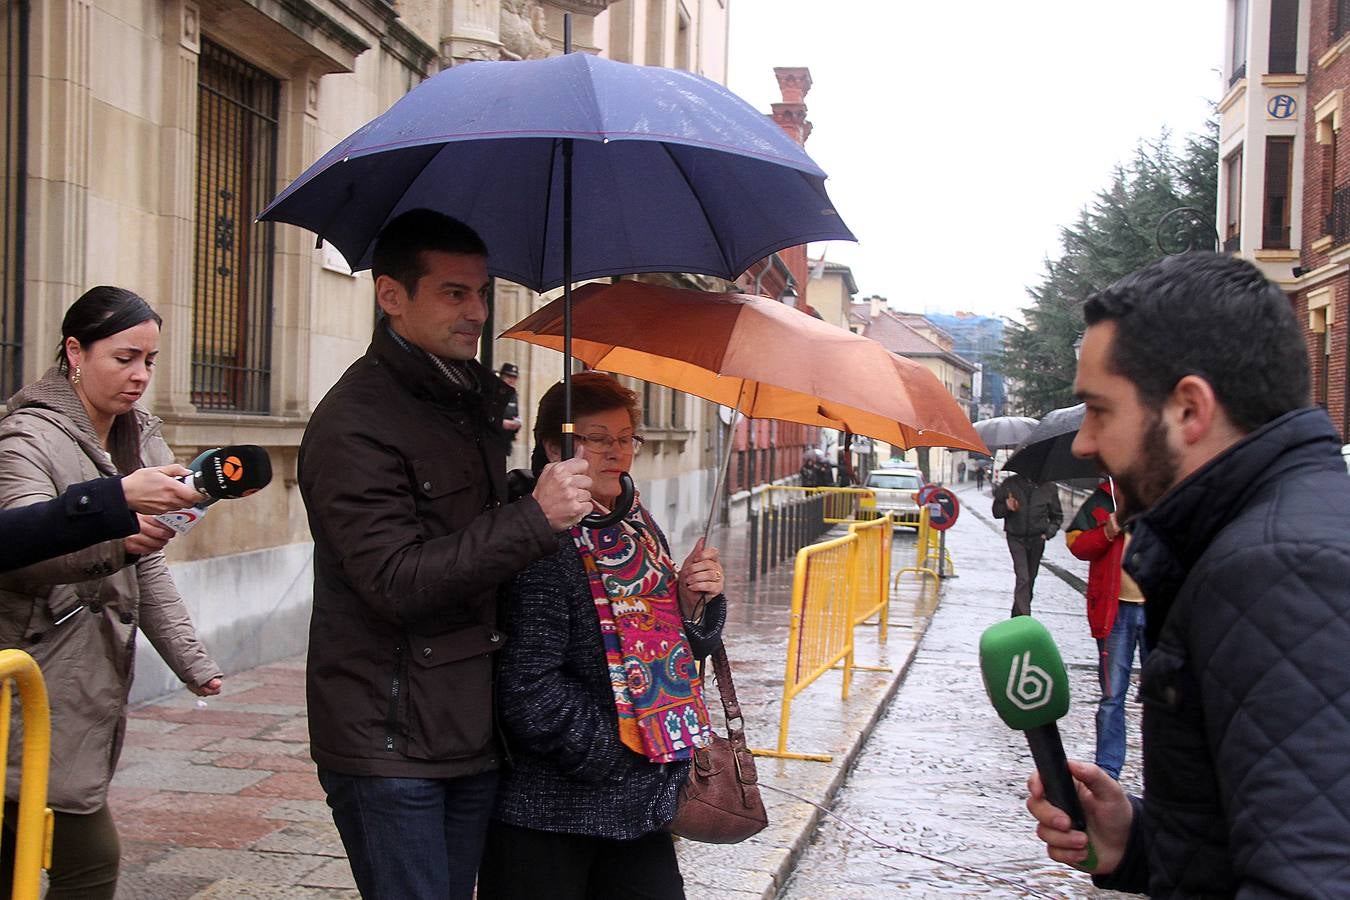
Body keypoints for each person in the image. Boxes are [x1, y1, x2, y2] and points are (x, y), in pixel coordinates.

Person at [1025, 252, 1350, 895]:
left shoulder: (1279, 569)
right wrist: (1138, 842)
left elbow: (1309, 878)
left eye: (1100, 410)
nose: (1084, 443)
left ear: (1189, 410)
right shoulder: (1272, 534)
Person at [297, 209, 593, 900]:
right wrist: (532, 518)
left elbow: (470, 538)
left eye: (481, 293)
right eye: (454, 293)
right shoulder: (354, 423)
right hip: (390, 737)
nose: (478, 313)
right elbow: (393, 579)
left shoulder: (468, 404)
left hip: (468, 727)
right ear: (391, 295)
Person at [0, 286, 223, 899]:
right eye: (124, 358)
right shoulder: (26, 437)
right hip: (30, 676)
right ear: (75, 352)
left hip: (84, 681)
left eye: (149, 361)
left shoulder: (139, 438)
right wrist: (118, 524)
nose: (140, 375)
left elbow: (147, 562)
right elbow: (21, 544)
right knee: (88, 861)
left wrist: (191, 661)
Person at [478, 372, 727, 900]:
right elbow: (527, 689)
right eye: (597, 439)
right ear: (555, 448)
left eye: (625, 438)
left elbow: (675, 653)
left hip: (638, 809)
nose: (617, 452)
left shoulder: (635, 525)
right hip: (552, 814)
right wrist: (620, 752)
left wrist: (690, 604)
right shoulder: (539, 541)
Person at [1064, 478, 1146, 781]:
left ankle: (1164, 770)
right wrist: (1109, 530)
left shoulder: (1165, 491)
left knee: (1163, 697)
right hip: (1115, 611)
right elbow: (1077, 545)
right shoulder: (1102, 499)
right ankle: (1108, 770)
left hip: (1160, 606)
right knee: (1112, 695)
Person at [0, 466, 203, 573]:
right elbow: (18, 543)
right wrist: (117, 498)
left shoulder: (145, 431)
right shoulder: (27, 431)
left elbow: (150, 569)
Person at [991, 469, 1062, 616]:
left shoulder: (1049, 487)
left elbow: (1057, 517)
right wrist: (1007, 507)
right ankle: (1025, 617)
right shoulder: (1010, 484)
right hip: (1015, 538)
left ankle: (1016, 615)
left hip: (1037, 539)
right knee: (1023, 577)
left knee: (1030, 579)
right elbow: (996, 512)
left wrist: (1048, 533)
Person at [497, 361, 523, 447]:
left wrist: (517, 424)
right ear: (501, 376)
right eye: (508, 377)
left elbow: (515, 414)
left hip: (507, 439)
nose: (511, 380)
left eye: (514, 378)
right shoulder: (493, 393)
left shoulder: (513, 395)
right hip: (493, 438)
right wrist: (502, 423)